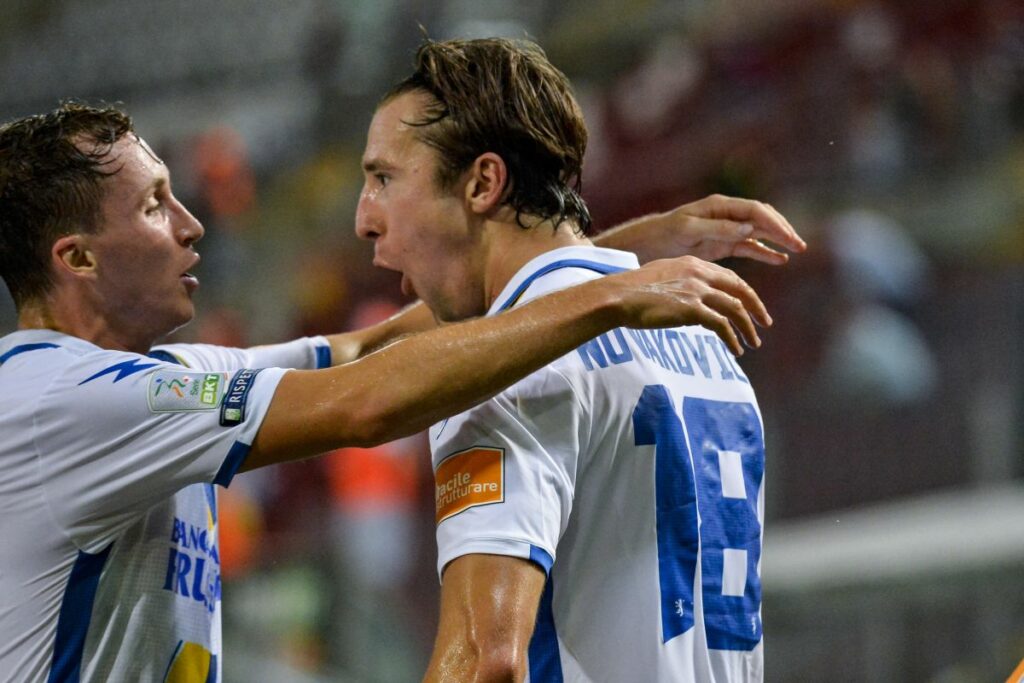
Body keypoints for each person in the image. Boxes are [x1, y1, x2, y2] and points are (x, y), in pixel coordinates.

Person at [0, 103, 799, 682]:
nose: (190, 223)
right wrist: (610, 296)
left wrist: (604, 254)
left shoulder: (149, 382)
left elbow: (369, 345)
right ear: (78, 259)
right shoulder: (55, 404)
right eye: (153, 204)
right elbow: (364, 398)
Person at [356, 38, 803, 682]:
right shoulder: (701, 338)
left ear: (482, 183)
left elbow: (485, 660)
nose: (364, 219)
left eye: (384, 179)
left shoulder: (499, 362)